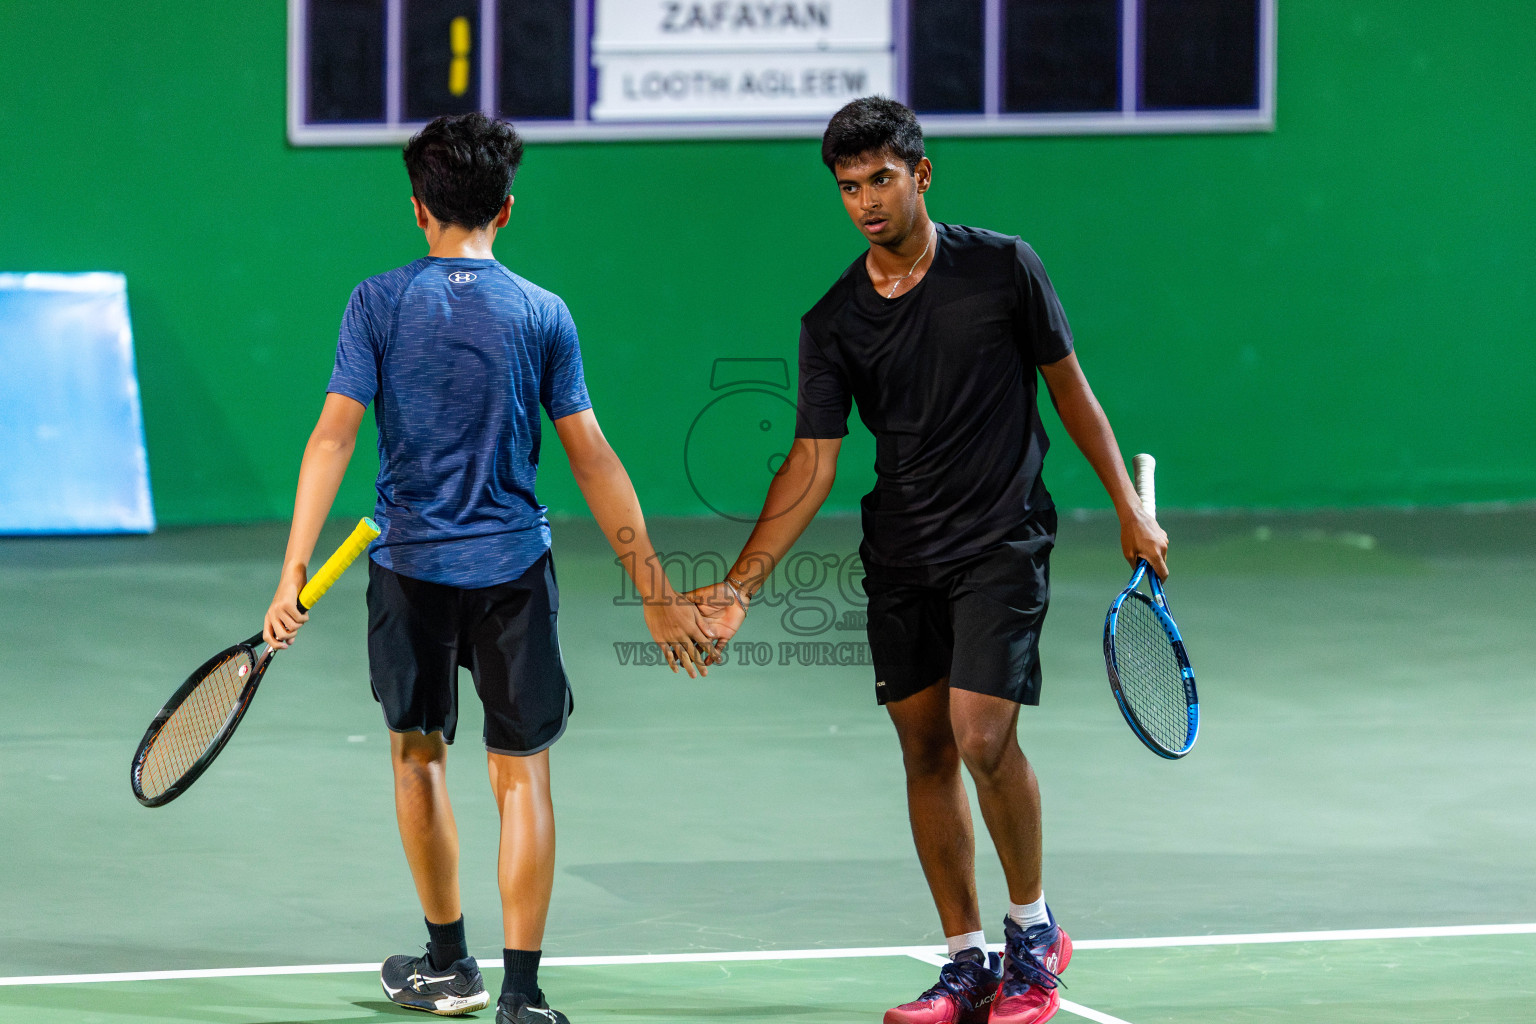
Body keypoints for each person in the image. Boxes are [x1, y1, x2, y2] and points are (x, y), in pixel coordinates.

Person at [687, 97, 1169, 1024]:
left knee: (985, 737)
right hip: (903, 554)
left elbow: (1072, 394)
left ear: (922, 175)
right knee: (926, 750)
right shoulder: (832, 321)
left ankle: (1032, 939)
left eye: (880, 179)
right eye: (848, 187)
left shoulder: (1003, 267)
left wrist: (1126, 508)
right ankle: (964, 960)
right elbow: (812, 462)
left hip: (1002, 537)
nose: (866, 201)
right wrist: (742, 586)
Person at [263, 112, 716, 1024]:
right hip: (513, 572)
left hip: (410, 573)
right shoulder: (542, 312)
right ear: (506, 209)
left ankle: (447, 963)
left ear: (418, 209)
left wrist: (292, 572)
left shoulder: (377, 302)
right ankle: (521, 994)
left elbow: (332, 438)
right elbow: (594, 459)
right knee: (524, 774)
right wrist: (659, 597)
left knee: (418, 757)